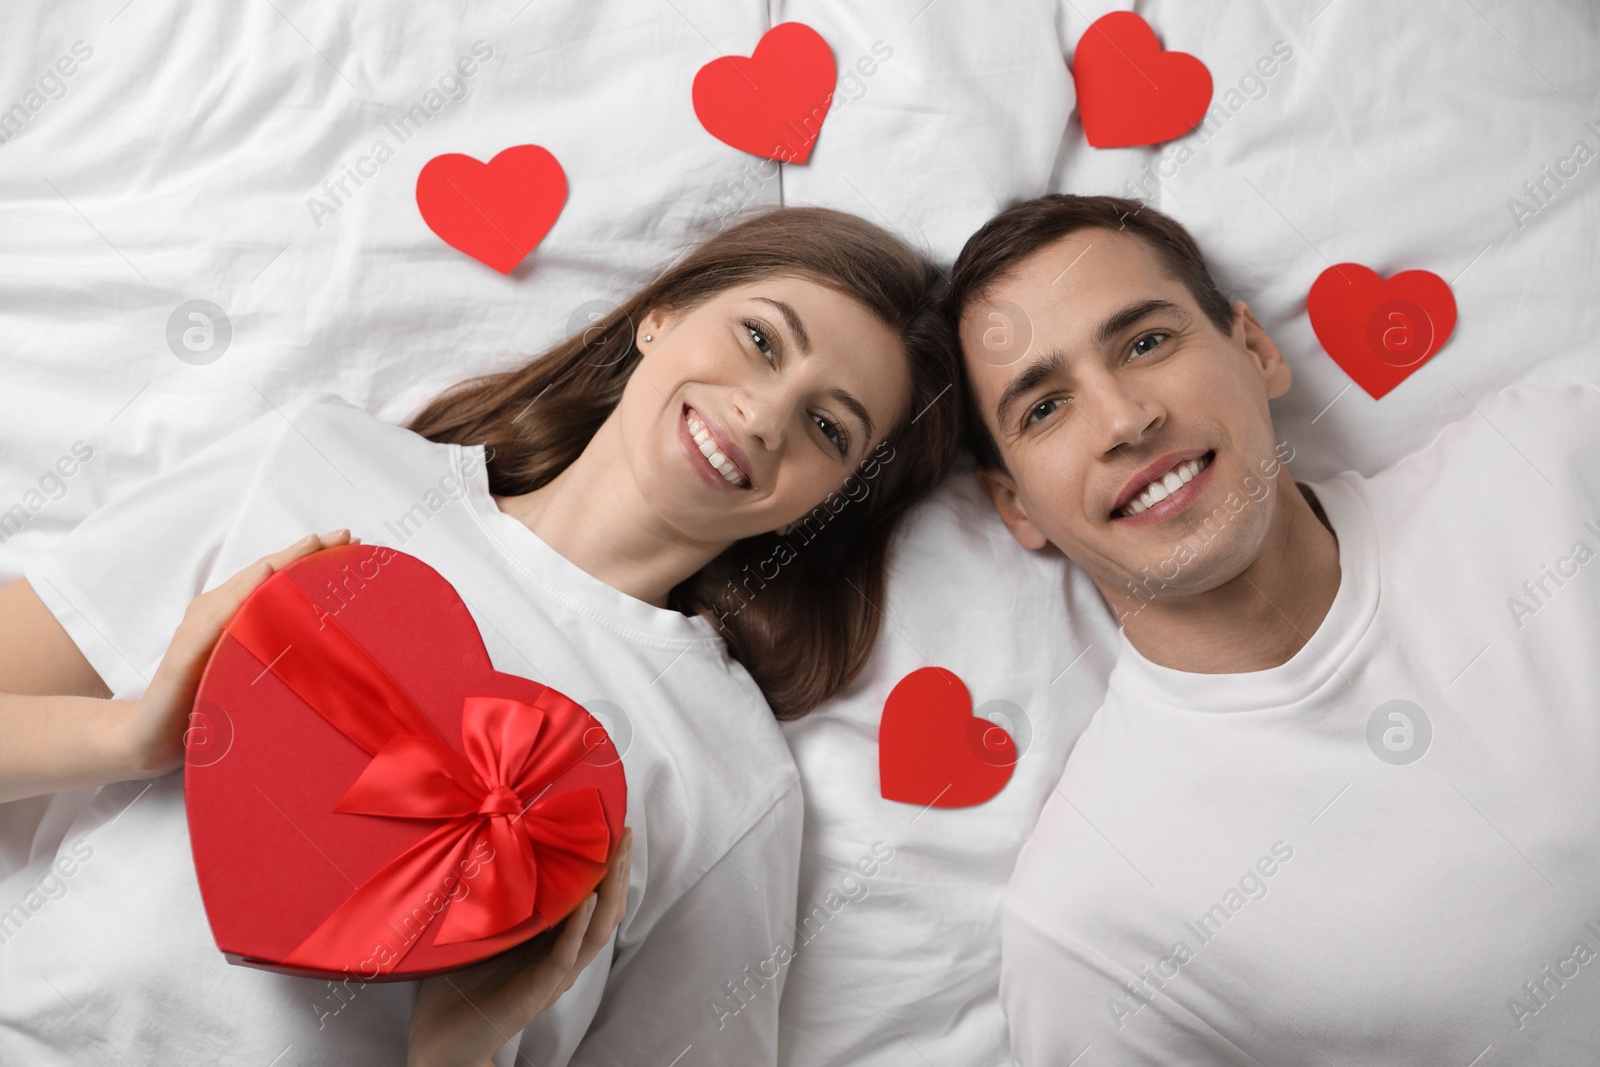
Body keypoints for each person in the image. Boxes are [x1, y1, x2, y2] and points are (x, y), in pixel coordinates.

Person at [0, 205, 962, 1065]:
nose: (762, 413)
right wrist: (135, 735)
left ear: (830, 504)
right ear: (661, 314)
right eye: (759, 339)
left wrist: (454, 1057)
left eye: (829, 429)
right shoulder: (319, 458)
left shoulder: (736, 780)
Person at [946, 193, 1600, 1064]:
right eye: (1044, 408)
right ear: (1016, 506)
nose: (1124, 419)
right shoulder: (1094, 927)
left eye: (1146, 342)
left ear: (1255, 350)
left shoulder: (1548, 469)